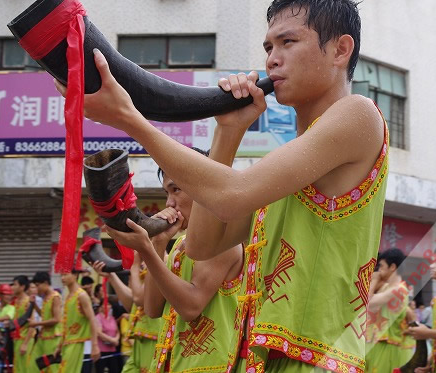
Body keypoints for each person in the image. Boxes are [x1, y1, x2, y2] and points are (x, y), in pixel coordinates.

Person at [57, 0, 387, 371]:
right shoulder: (291, 165)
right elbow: (202, 244)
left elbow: (232, 197)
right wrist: (228, 132)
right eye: (268, 48)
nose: (272, 60)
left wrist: (129, 119)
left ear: (341, 50)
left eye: (288, 42)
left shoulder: (358, 113)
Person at [102, 150, 243, 372]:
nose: (169, 202)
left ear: (203, 185)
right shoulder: (178, 245)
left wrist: (146, 251)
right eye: (167, 192)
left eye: (176, 189)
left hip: (212, 366)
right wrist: (157, 244)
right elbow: (152, 308)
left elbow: (191, 306)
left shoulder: (223, 238)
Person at [365, 249, 415, 373]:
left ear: (392, 267)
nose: (379, 270)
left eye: (381, 266)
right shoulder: (388, 288)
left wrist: (375, 279)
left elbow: (368, 304)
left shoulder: (398, 290)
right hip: (377, 343)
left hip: (387, 346)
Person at [55, 268, 100, 373]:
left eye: (65, 274)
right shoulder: (68, 296)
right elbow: (66, 324)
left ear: (75, 275)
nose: (62, 278)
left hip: (77, 343)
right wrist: (59, 346)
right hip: (68, 343)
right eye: (61, 275)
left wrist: (95, 345)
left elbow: (92, 319)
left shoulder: (81, 295)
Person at [29, 272, 62, 373]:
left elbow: (56, 319)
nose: (36, 289)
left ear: (46, 283)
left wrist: (36, 324)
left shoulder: (55, 297)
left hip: (53, 338)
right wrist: (34, 304)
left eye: (38, 286)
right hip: (43, 337)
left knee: (51, 368)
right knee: (33, 365)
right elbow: (44, 316)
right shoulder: (45, 298)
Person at [10, 276, 35, 373]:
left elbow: (32, 325)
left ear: (22, 287)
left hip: (25, 339)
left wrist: (25, 344)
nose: (12, 287)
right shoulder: (15, 301)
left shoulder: (28, 302)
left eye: (15, 284)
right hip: (16, 339)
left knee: (25, 368)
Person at [94, 300, 120, 373]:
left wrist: (116, 339)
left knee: (115, 370)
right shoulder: (98, 318)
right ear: (101, 306)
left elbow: (117, 331)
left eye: (108, 304)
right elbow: (99, 333)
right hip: (102, 350)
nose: (107, 306)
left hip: (112, 350)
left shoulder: (112, 318)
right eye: (104, 304)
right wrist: (112, 340)